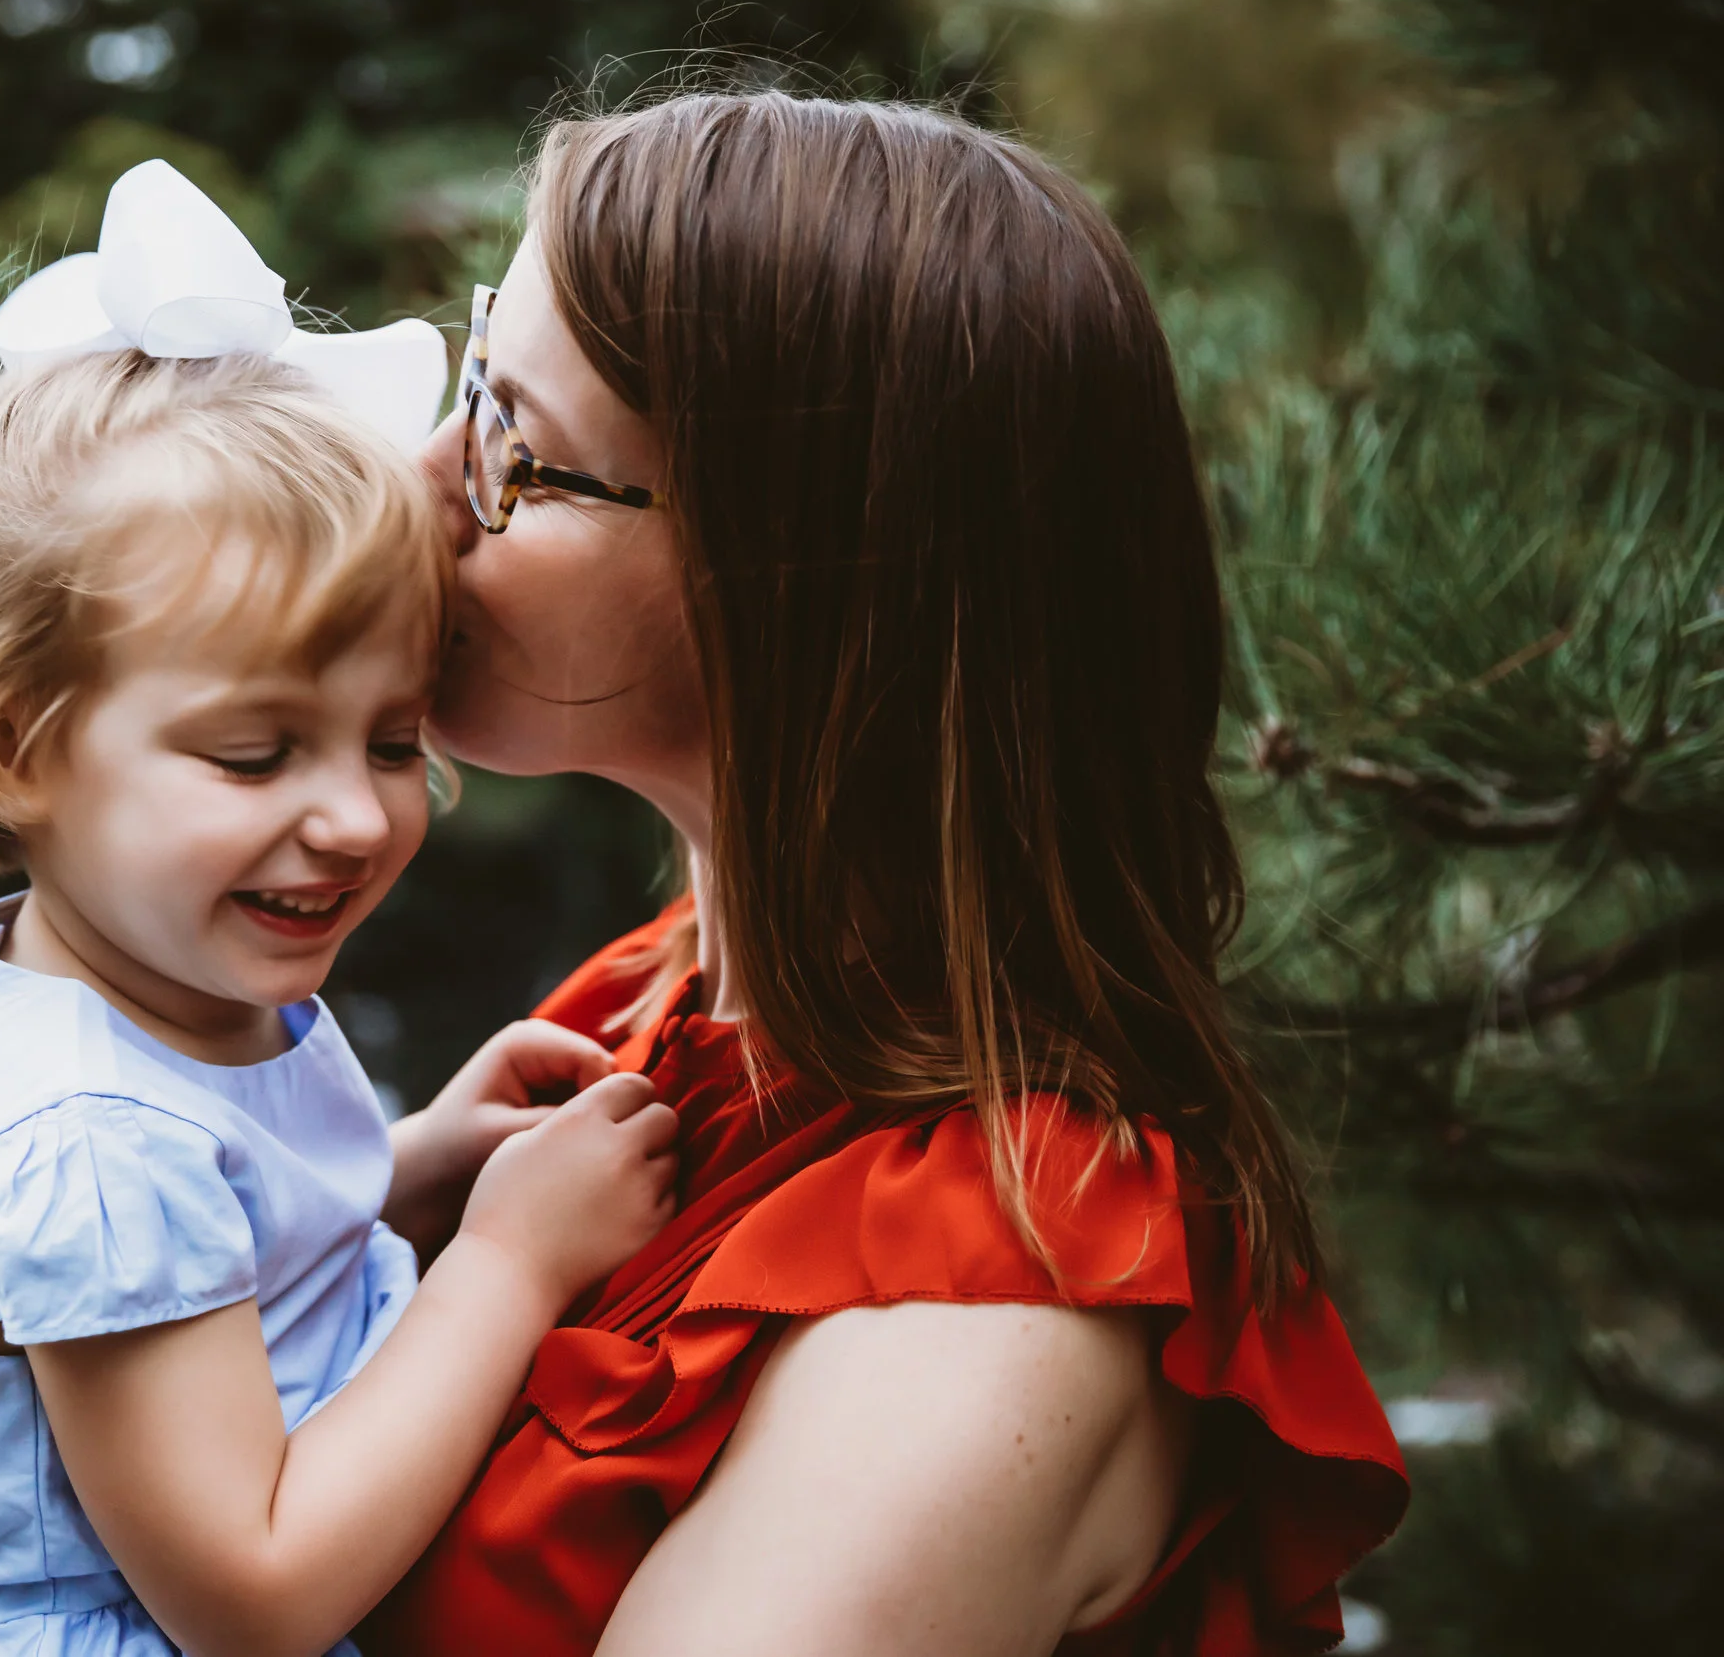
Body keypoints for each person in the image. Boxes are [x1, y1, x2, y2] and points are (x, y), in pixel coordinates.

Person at [362, 94, 1412, 1657]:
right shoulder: (658, 1009)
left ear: (795, 585)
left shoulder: (994, 1311)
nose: (427, 479)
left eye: (522, 446)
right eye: (472, 384)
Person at [0, 161, 678, 1657]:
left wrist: (407, 1169)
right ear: (21, 742)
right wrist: (508, 1262)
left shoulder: (142, 976)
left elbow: (208, 1264)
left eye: (394, 738)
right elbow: (255, 1592)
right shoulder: (84, 1141)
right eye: (255, 752)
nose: (351, 813)